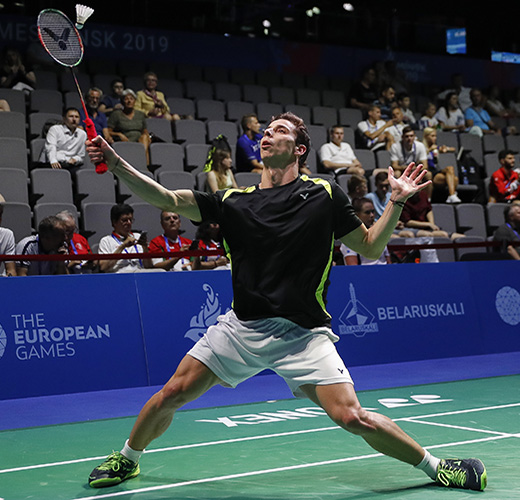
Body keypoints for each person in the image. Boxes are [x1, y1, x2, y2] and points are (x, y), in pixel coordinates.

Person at [85, 111, 486, 492]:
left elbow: (370, 245)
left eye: (278, 130)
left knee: (352, 416)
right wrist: (116, 163)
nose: (267, 134)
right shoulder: (232, 201)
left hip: (303, 334)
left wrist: (395, 202)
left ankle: (437, 467)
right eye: (265, 130)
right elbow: (167, 199)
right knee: (173, 393)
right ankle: (128, 458)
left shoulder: (323, 194)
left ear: (298, 149)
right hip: (242, 328)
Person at [98, 203, 154, 273]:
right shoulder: (106, 241)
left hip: (140, 272)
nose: (129, 223)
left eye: (131, 220)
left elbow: (149, 267)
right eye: (124, 220)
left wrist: (145, 248)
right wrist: (122, 246)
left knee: (161, 271)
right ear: (114, 222)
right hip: (120, 274)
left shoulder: (138, 237)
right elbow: (103, 267)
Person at [341, 197, 393, 265]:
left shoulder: (380, 234)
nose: (372, 215)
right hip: (364, 271)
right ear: (356, 215)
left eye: (373, 211)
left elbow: (388, 263)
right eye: (367, 212)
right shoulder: (350, 239)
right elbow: (353, 268)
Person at [107, 89, 151, 163]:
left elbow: (144, 130)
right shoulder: (116, 114)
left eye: (131, 99)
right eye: (126, 99)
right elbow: (108, 131)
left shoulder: (140, 114)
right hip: (125, 140)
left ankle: (144, 163)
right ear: (122, 101)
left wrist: (146, 135)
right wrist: (119, 134)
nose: (129, 101)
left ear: (135, 101)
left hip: (139, 141)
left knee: (144, 137)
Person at [422, 127, 460, 203]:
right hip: (427, 172)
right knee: (454, 179)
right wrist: (429, 150)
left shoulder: (435, 148)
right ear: (426, 136)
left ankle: (451, 195)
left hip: (435, 170)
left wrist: (446, 149)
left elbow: (453, 149)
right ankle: (452, 195)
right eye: (432, 136)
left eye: (435, 136)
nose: (435, 138)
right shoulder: (421, 147)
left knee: (450, 169)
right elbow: (419, 158)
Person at [57, 209, 95, 274]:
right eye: (68, 231)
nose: (71, 235)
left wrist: (91, 264)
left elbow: (91, 258)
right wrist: (71, 265)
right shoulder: (53, 244)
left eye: (73, 230)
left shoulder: (80, 239)